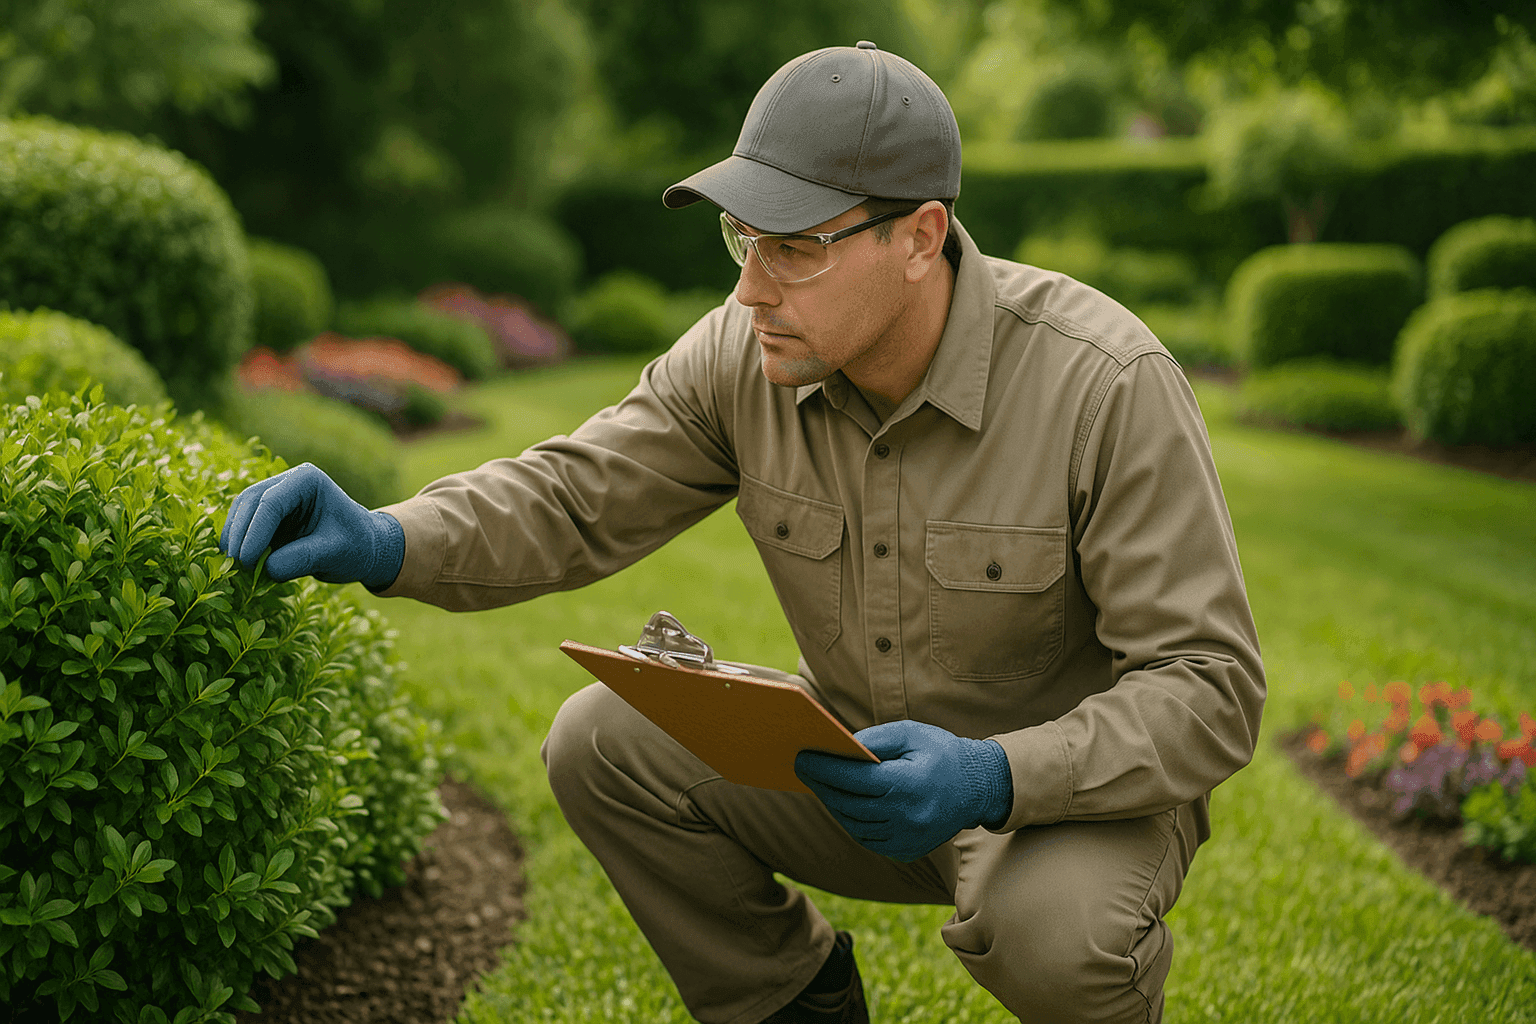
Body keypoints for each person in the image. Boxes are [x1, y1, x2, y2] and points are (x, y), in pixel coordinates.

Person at [219, 40, 1264, 1024]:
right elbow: (571, 495)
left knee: (1058, 938)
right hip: (852, 772)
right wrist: (384, 535)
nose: (751, 287)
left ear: (921, 238)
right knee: (600, 741)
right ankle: (797, 1003)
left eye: (796, 248)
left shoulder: (1105, 385)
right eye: (742, 239)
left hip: (1065, 801)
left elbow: (1210, 686)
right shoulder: (742, 352)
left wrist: (992, 775)